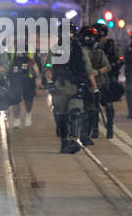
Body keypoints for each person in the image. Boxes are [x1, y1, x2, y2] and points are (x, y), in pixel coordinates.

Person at [51, 23, 94, 153]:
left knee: (76, 112)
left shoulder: (80, 50)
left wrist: (95, 88)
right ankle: (64, 141)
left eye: (70, 33)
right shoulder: (55, 49)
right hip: (61, 87)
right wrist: (49, 81)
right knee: (61, 117)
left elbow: (88, 70)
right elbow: (48, 66)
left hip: (76, 86)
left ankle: (73, 140)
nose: (67, 36)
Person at [7, 39, 40, 130]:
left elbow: (38, 65)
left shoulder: (32, 50)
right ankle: (17, 120)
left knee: (28, 99)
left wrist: (32, 65)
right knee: (15, 100)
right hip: (15, 78)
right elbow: (8, 63)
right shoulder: (11, 50)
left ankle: (28, 113)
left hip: (28, 78)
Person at [98, 32, 124, 139]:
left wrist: (114, 65)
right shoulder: (90, 47)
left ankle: (110, 127)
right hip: (94, 78)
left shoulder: (112, 47)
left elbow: (121, 59)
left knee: (109, 105)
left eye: (103, 36)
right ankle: (93, 128)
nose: (101, 39)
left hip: (108, 78)